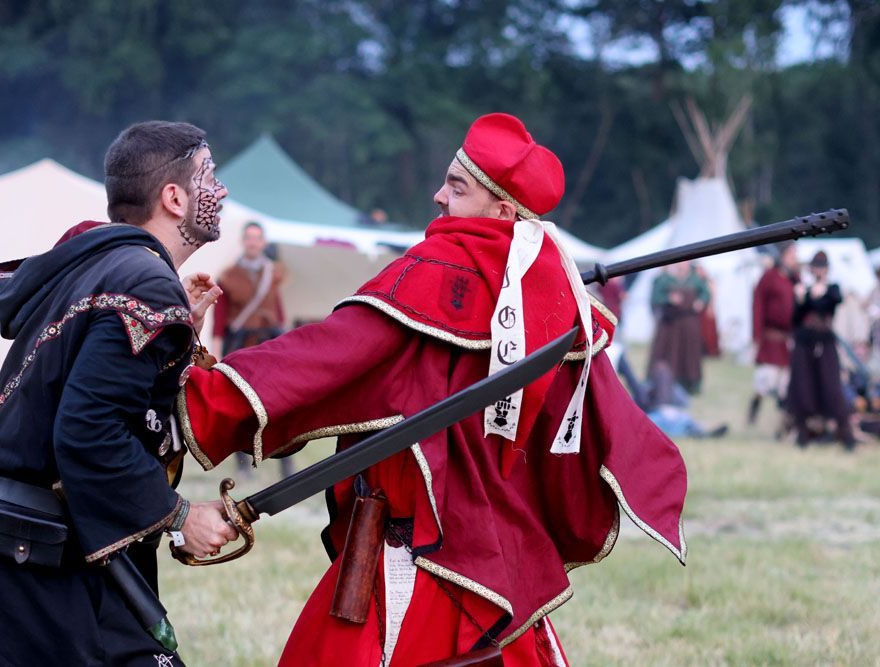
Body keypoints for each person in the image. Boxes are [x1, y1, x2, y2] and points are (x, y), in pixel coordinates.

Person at [178, 114, 688, 665]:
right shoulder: (554, 295)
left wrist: (202, 390)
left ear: (503, 212)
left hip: (417, 554)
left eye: (458, 187)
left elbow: (326, 355)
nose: (439, 196)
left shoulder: (444, 273)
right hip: (497, 556)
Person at [0, 121, 239, 666]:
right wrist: (180, 515)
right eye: (210, 176)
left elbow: (101, 402)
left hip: (24, 545)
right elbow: (88, 428)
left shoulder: (96, 265)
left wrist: (179, 335)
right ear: (174, 197)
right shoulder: (143, 282)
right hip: (51, 563)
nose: (220, 191)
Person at [211, 221, 292, 478]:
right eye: (249, 238)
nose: (253, 242)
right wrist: (216, 355)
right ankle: (243, 465)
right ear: (243, 241)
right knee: (242, 407)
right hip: (241, 348)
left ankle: (286, 464)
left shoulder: (273, 273)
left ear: (263, 243)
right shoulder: (228, 276)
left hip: (268, 347)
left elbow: (279, 313)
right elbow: (219, 321)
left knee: (281, 407)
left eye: (257, 238)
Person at [787, 250, 856, 450]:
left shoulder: (832, 289)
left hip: (825, 344)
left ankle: (846, 437)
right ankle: (803, 435)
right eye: (815, 267)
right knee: (803, 388)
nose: (818, 271)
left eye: (821, 267)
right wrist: (802, 298)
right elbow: (796, 319)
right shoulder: (804, 289)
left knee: (832, 388)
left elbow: (830, 302)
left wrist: (812, 296)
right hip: (805, 344)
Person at [748, 241, 799, 426]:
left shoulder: (795, 278)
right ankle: (754, 408)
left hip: (789, 339)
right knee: (766, 379)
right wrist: (756, 336)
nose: (794, 259)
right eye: (791, 255)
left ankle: (782, 424)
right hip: (771, 338)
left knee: (786, 384)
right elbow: (758, 306)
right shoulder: (769, 277)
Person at [648, 261, 709, 394]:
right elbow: (655, 297)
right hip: (670, 324)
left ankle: (689, 384)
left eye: (685, 262)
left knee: (689, 353)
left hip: (689, 323)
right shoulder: (665, 279)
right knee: (667, 353)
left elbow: (705, 293)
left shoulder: (695, 279)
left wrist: (700, 301)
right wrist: (669, 299)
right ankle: (662, 382)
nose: (682, 265)